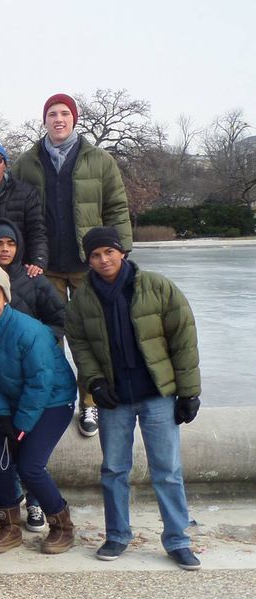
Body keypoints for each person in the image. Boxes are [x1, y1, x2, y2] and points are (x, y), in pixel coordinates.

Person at [65, 227, 203, 569]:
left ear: (122, 252)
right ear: (89, 259)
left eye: (108, 252)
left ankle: (178, 540)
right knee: (113, 469)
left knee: (167, 470)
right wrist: (95, 383)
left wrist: (188, 392)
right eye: (95, 255)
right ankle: (117, 535)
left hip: (157, 394)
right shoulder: (83, 298)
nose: (103, 260)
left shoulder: (156, 286)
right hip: (114, 399)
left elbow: (182, 337)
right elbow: (79, 344)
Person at [12, 93, 132, 437]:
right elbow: (16, 208)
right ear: (44, 120)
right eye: (52, 114)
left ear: (74, 119)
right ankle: (52, 399)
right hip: (44, 266)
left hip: (88, 265)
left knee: (92, 334)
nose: (59, 119)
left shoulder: (100, 160)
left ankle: (90, 403)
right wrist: (20, 255)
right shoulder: (28, 161)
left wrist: (119, 251)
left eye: (65, 113)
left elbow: (117, 207)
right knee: (48, 338)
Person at [0, 265, 77, 554]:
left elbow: (41, 381)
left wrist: (22, 425)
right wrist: (0, 415)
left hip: (53, 400)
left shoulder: (29, 331)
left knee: (29, 465)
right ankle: (9, 527)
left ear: (6, 299)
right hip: (12, 404)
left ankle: (62, 525)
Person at [0, 141, 48, 275]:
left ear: (4, 163)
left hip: (22, 270)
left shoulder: (26, 193)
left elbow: (37, 231)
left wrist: (38, 261)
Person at [0, 220, 64, 340]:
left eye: (11, 244)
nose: (5, 249)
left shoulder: (33, 278)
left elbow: (59, 319)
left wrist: (39, 340)